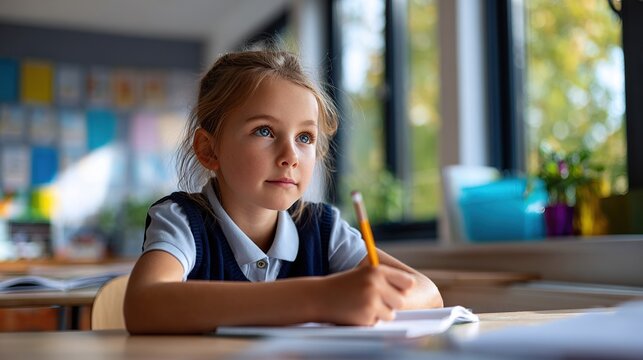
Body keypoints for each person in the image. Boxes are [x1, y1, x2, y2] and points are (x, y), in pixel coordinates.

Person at [124, 49, 443, 334]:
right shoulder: (182, 221)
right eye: (264, 131)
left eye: (305, 137)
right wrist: (319, 299)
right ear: (209, 150)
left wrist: (369, 295)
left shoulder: (324, 229)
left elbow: (428, 294)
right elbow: (142, 304)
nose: (290, 155)